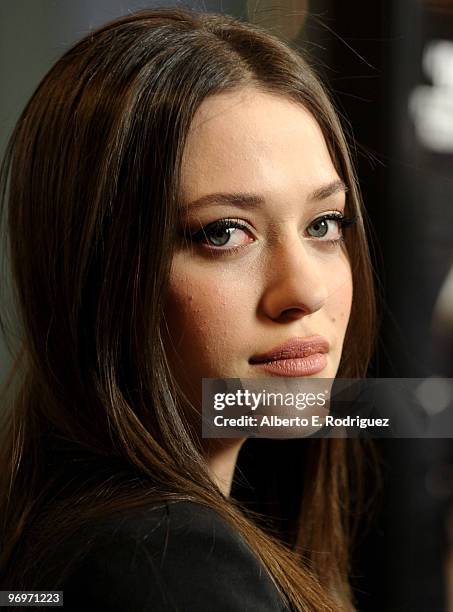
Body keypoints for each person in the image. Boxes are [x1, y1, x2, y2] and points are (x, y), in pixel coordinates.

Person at [0, 7, 377, 611]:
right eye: (224, 233)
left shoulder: (82, 541)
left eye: (323, 223)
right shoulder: (166, 563)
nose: (305, 291)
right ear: (99, 271)